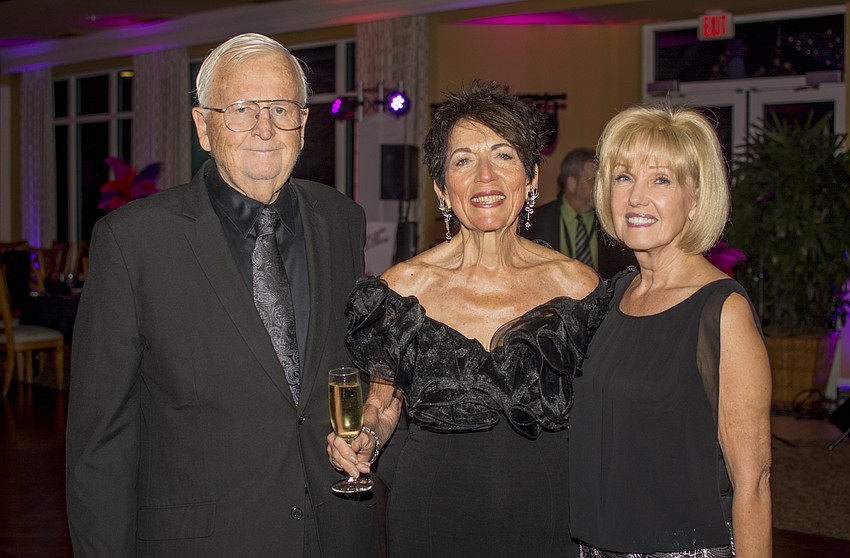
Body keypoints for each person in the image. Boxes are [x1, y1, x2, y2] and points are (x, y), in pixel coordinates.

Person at [66, 33, 383, 558]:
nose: (264, 128)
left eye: (280, 108)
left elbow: (350, 362)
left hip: (336, 533)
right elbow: (100, 445)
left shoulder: (341, 219)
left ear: (303, 125)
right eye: (240, 109)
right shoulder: (133, 241)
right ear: (203, 127)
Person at [327, 80, 608, 557]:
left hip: (550, 509)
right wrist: (364, 439)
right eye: (463, 160)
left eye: (503, 155)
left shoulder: (579, 287)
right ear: (441, 186)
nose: (485, 176)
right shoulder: (400, 289)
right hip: (432, 510)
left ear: (532, 176)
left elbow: (609, 411)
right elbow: (383, 402)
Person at [569, 105, 772, 557]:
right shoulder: (613, 296)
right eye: (624, 178)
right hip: (596, 546)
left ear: (696, 197)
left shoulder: (722, 312)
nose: (636, 197)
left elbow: (753, 482)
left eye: (660, 180)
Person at [522, 147, 637, 278]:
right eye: (593, 181)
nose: (601, 189)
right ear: (571, 184)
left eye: (602, 182)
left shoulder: (614, 223)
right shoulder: (532, 222)